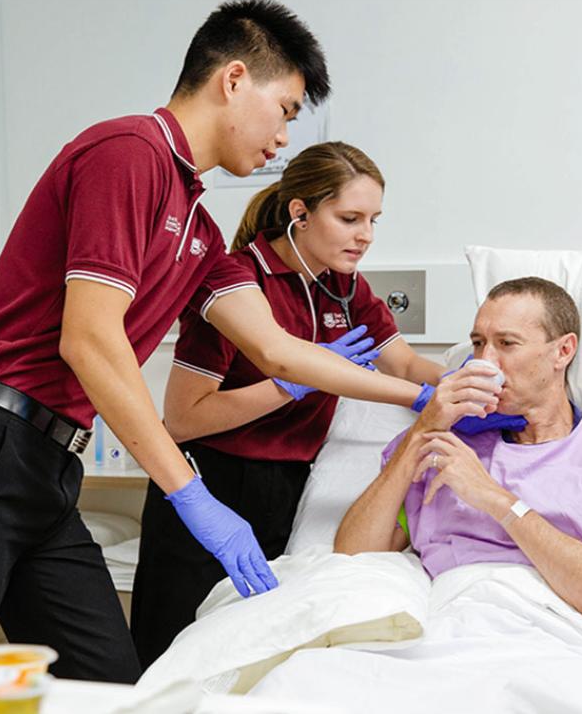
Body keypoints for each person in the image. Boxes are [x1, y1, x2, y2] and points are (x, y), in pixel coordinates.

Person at [0, 0, 483, 684]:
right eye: (284, 110)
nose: (284, 138)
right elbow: (89, 341)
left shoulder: (202, 232)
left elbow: (278, 351)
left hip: (46, 466)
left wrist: (435, 393)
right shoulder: (128, 153)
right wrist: (190, 492)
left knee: (115, 688)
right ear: (235, 79)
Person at [130, 142, 526, 667]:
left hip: (289, 486)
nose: (365, 235)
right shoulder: (234, 282)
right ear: (301, 212)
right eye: (349, 218)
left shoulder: (344, 288)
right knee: (169, 652)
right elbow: (184, 419)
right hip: (211, 480)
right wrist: (291, 384)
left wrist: (473, 387)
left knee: (245, 653)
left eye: (373, 220)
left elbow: (405, 365)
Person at [335, 276, 582, 638]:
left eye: (506, 343)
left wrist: (496, 500)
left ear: (563, 350)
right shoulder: (442, 445)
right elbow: (351, 560)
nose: (484, 362)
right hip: (448, 634)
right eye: (477, 344)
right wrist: (423, 429)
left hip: (555, 644)